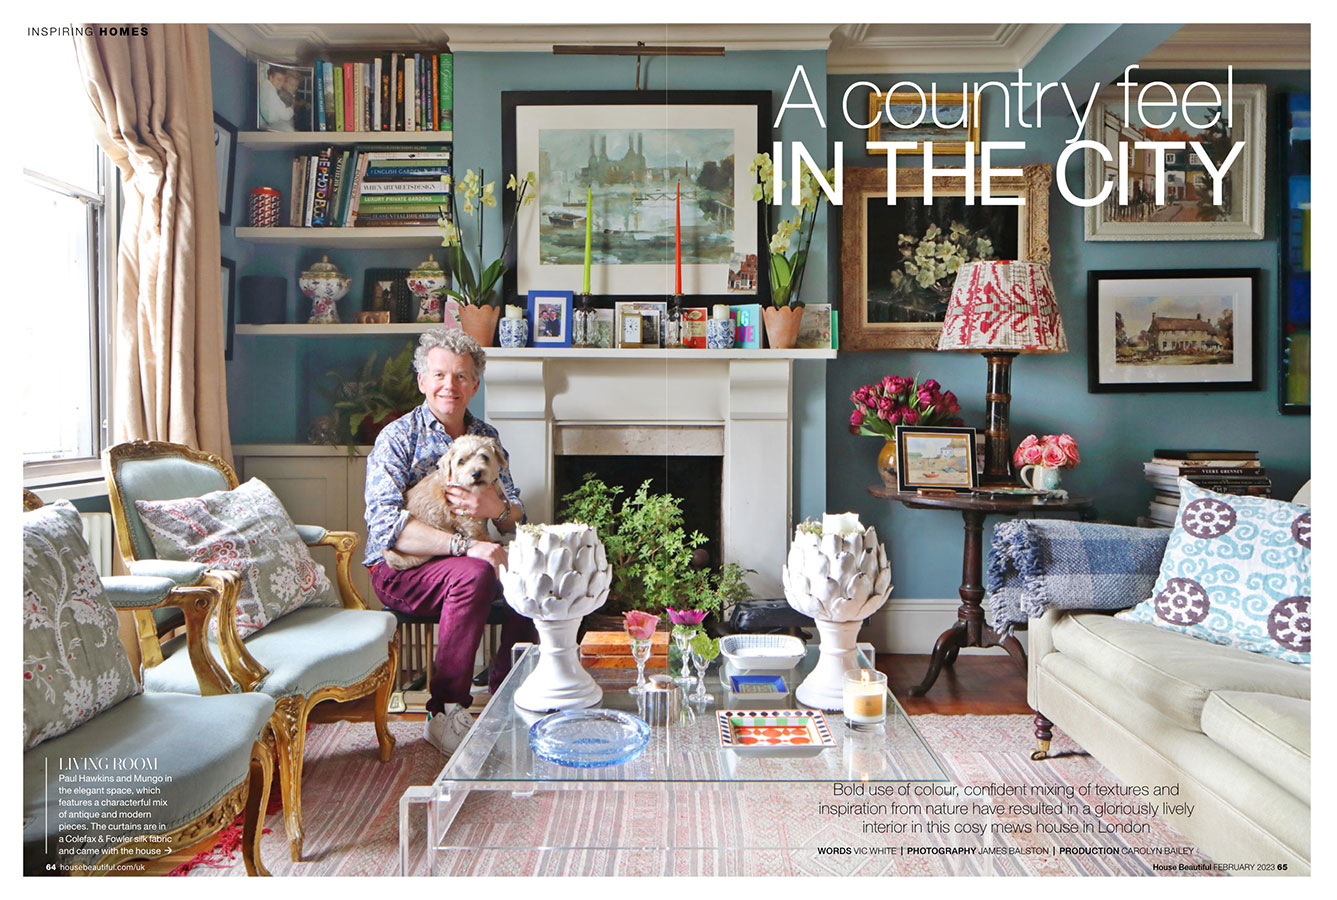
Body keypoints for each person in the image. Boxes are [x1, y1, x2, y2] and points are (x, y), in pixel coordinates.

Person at [363, 329, 535, 756]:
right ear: (422, 380)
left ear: (475, 384)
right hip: (400, 569)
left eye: (461, 377)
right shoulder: (397, 438)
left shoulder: (486, 437)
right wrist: (466, 546)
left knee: (533, 568)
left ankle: (507, 695)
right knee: (476, 571)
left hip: (463, 564)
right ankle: (444, 712)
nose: (449, 386)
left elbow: (516, 518)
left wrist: (495, 507)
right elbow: (387, 526)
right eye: (439, 375)